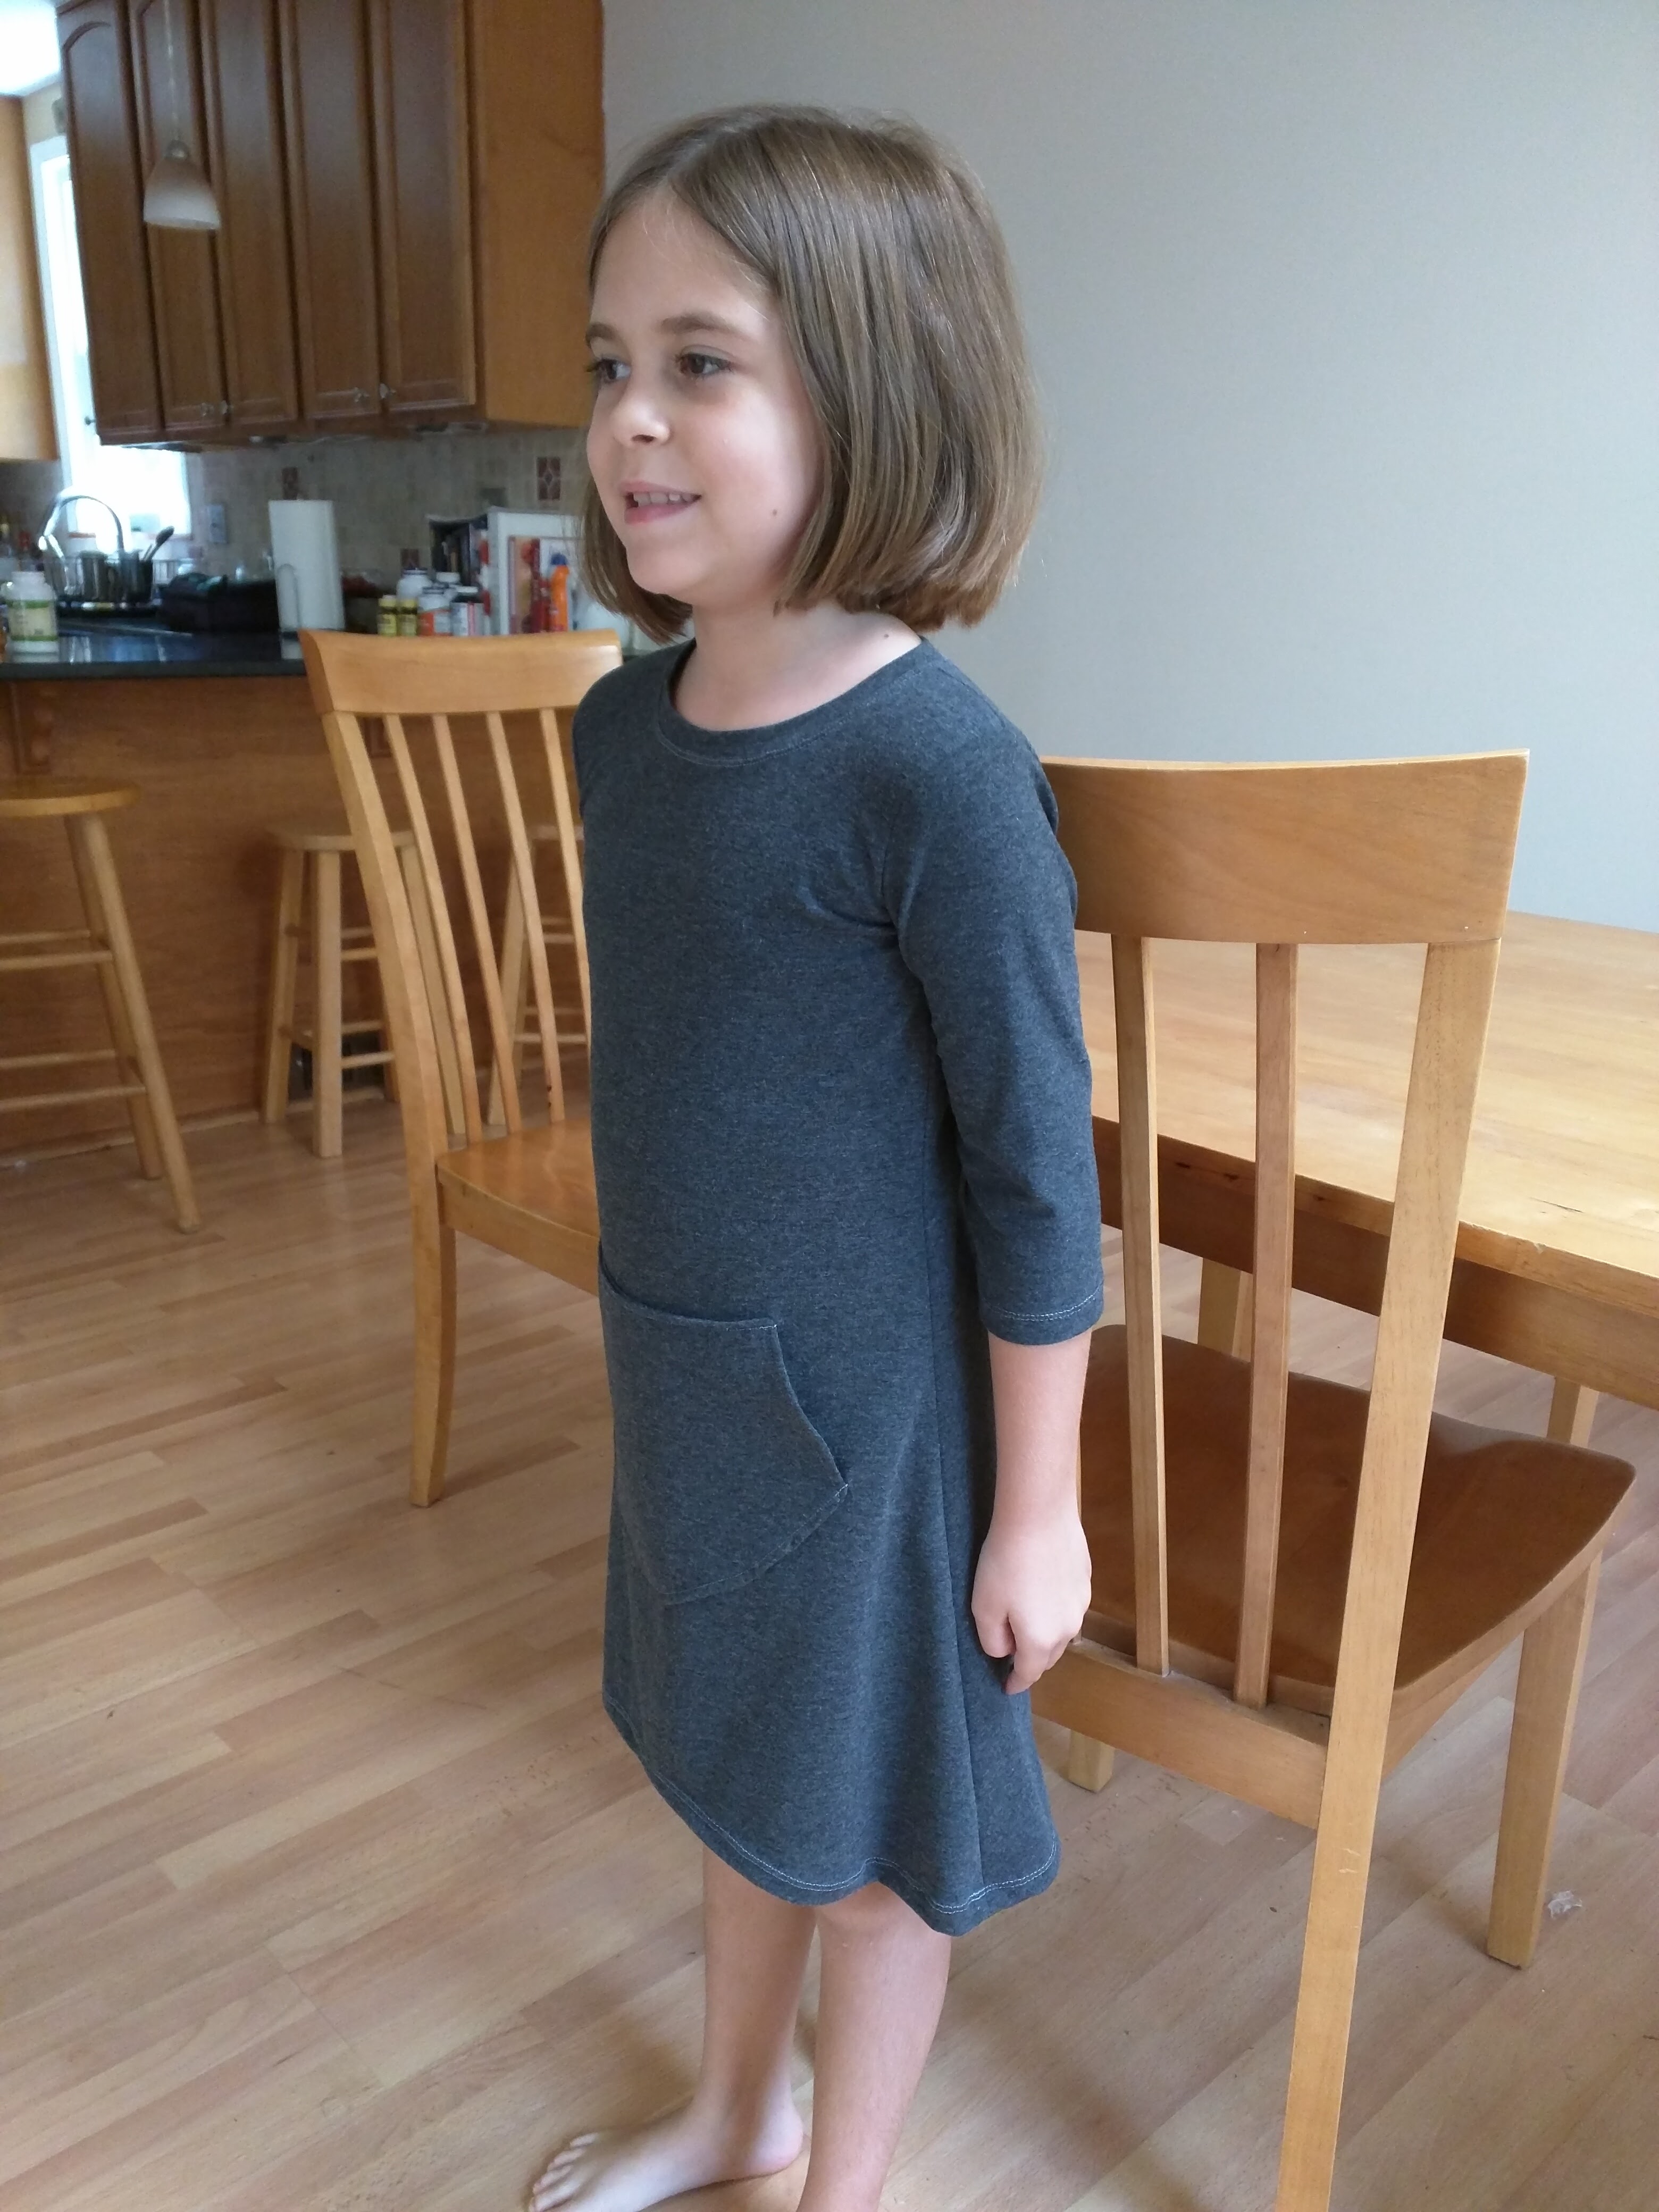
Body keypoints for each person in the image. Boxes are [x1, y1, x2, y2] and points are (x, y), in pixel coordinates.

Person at [532, 105, 1103, 2212]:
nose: (633, 418)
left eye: (702, 363)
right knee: (734, 1775)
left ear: (874, 391)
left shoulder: (936, 770)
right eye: (612, 362)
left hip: (879, 1440)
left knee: (868, 1856)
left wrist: (1035, 1511)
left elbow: (1038, 1180)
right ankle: (735, 2109)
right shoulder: (621, 731)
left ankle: (838, 2188)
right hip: (690, 1388)